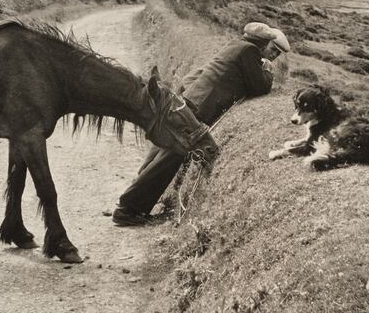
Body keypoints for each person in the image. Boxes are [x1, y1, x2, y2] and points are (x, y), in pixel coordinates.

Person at [112, 22, 290, 226]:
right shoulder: (249, 52)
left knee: (163, 151)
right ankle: (127, 210)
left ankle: (130, 199)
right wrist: (267, 71)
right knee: (171, 158)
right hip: (201, 107)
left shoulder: (237, 44)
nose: (275, 55)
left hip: (192, 99)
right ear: (263, 43)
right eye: (273, 49)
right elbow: (259, 87)